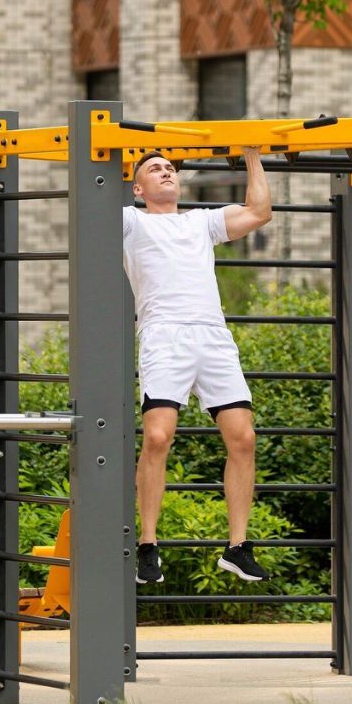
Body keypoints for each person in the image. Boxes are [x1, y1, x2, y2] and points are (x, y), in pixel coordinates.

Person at [123, 147, 272, 585]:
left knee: (244, 438)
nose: (166, 172)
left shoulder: (201, 222)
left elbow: (259, 211)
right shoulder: (131, 222)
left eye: (170, 167)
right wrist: (115, 161)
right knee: (157, 436)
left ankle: (237, 548)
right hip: (164, 336)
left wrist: (252, 154)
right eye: (155, 169)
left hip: (212, 336)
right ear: (138, 188)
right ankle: (148, 546)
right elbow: (89, 205)